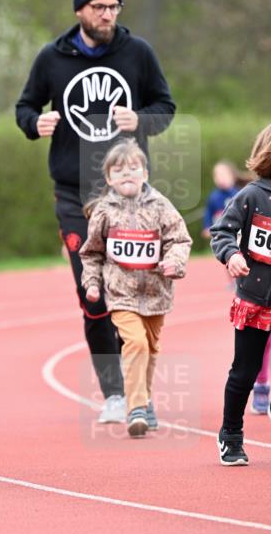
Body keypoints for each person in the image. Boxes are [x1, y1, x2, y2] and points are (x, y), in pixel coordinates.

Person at [15, 0, 176, 425]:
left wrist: (140, 120)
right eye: (99, 8)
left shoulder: (138, 53)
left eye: (113, 7)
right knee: (93, 294)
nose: (108, 15)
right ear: (79, 11)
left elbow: (165, 108)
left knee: (134, 293)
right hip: (73, 193)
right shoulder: (52, 58)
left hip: (128, 196)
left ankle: (138, 394)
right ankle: (113, 394)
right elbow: (25, 107)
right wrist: (35, 123)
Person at [79, 140, 192, 436]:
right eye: (118, 170)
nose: (126, 174)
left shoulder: (161, 205)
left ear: (145, 173)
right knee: (136, 343)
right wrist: (92, 283)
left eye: (133, 168)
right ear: (108, 179)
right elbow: (91, 253)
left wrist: (174, 263)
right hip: (121, 294)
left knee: (151, 349)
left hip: (157, 293)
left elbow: (180, 240)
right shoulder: (104, 211)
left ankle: (145, 401)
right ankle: (136, 408)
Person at [210, 123, 271, 464]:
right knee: (244, 372)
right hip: (255, 298)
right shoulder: (251, 196)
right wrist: (232, 254)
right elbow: (222, 231)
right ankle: (231, 434)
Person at [201, 161, 240, 239]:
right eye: (217, 176)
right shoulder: (213, 196)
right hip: (219, 233)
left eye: (223, 175)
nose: (220, 178)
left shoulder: (239, 194)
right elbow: (208, 213)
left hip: (236, 233)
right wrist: (207, 227)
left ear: (232, 176)